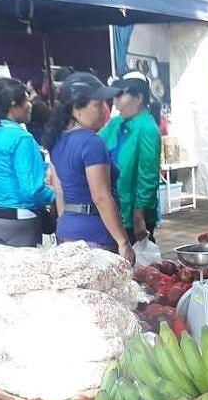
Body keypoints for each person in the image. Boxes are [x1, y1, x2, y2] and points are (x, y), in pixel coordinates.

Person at [43, 72, 135, 263]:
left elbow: (59, 192)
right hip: (95, 237)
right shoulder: (92, 143)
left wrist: (65, 225)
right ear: (77, 108)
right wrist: (123, 242)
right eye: (97, 104)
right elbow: (101, 197)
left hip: (66, 232)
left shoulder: (57, 140)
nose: (105, 110)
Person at [0, 78, 54, 247]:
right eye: (26, 99)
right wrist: (57, 196)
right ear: (13, 105)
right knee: (25, 271)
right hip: (19, 219)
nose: (30, 105)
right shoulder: (21, 138)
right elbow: (32, 190)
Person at [99, 71, 161, 244]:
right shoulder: (116, 123)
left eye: (120, 96)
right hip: (114, 207)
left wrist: (139, 213)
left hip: (133, 213)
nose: (116, 103)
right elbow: (95, 143)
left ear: (138, 98)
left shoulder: (147, 128)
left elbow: (148, 176)